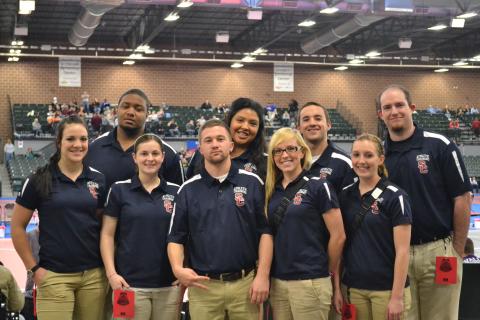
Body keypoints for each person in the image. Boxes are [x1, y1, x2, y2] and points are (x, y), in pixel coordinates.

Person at [377, 84, 472, 320]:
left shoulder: (440, 145)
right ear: (380, 114)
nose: (394, 111)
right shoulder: (378, 154)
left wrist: (456, 250)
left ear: (412, 108)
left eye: (399, 105)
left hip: (439, 253)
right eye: (387, 107)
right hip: (395, 256)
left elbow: (462, 196)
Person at [168, 119, 273, 320]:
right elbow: (176, 238)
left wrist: (262, 275)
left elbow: (266, 233)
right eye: (208, 140)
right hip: (204, 286)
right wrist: (177, 268)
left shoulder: (252, 183)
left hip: (246, 284)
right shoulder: (188, 190)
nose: (215, 144)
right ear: (200, 148)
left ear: (231, 145)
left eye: (220, 139)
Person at [11, 116, 108, 320]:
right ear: (59, 142)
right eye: (71, 139)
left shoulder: (98, 179)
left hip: (93, 277)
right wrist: (34, 269)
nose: (78, 145)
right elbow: (17, 227)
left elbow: (103, 227)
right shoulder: (38, 179)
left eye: (83, 139)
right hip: (54, 276)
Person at [265, 128, 345, 320]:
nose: (285, 155)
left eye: (291, 148)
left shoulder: (318, 185)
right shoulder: (271, 192)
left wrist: (327, 271)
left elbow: (339, 236)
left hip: (310, 281)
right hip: (279, 283)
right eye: (278, 151)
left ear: (302, 152)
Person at [100, 134, 181, 320]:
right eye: (144, 153)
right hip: (128, 286)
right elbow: (107, 235)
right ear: (134, 158)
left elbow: (185, 235)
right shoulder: (119, 190)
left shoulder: (177, 192)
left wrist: (184, 268)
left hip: (168, 286)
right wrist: (111, 274)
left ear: (163, 157)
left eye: (155, 153)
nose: (150, 158)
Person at [339, 133, 412, 320]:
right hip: (353, 289)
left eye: (368, 155)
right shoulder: (344, 196)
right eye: (356, 155)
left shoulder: (396, 197)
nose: (361, 161)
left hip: (386, 291)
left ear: (380, 159)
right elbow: (340, 244)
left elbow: (403, 252)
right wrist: (337, 287)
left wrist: (397, 297)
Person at [85, 89, 184, 190]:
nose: (131, 112)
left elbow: (179, 199)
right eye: (125, 106)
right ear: (117, 110)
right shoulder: (94, 148)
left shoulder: (167, 154)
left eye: (138, 109)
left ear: (147, 114)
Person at [187, 97, 267, 181]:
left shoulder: (266, 162)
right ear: (229, 121)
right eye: (240, 120)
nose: (245, 127)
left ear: (259, 129)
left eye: (253, 123)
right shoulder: (201, 153)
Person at [297, 102, 356, 195]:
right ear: (299, 128)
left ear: (329, 125)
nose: (312, 123)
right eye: (306, 119)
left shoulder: (345, 164)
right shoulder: (292, 162)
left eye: (318, 118)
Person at [21, 227, 39, 320]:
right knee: (30, 280)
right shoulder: (30, 234)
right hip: (32, 263)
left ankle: (29, 297)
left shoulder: (47, 234)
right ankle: (28, 298)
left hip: (40, 263)